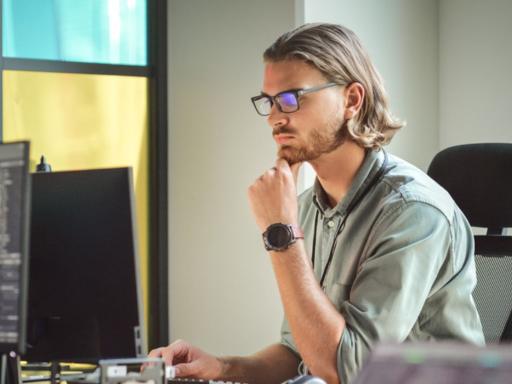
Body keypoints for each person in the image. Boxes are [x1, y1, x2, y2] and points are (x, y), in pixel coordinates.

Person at [149, 23, 484, 384]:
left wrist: (281, 234)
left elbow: (348, 369)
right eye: (269, 101)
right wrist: (222, 367)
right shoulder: (307, 207)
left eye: (293, 98)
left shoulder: (414, 212)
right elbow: (300, 353)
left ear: (352, 100)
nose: (276, 118)